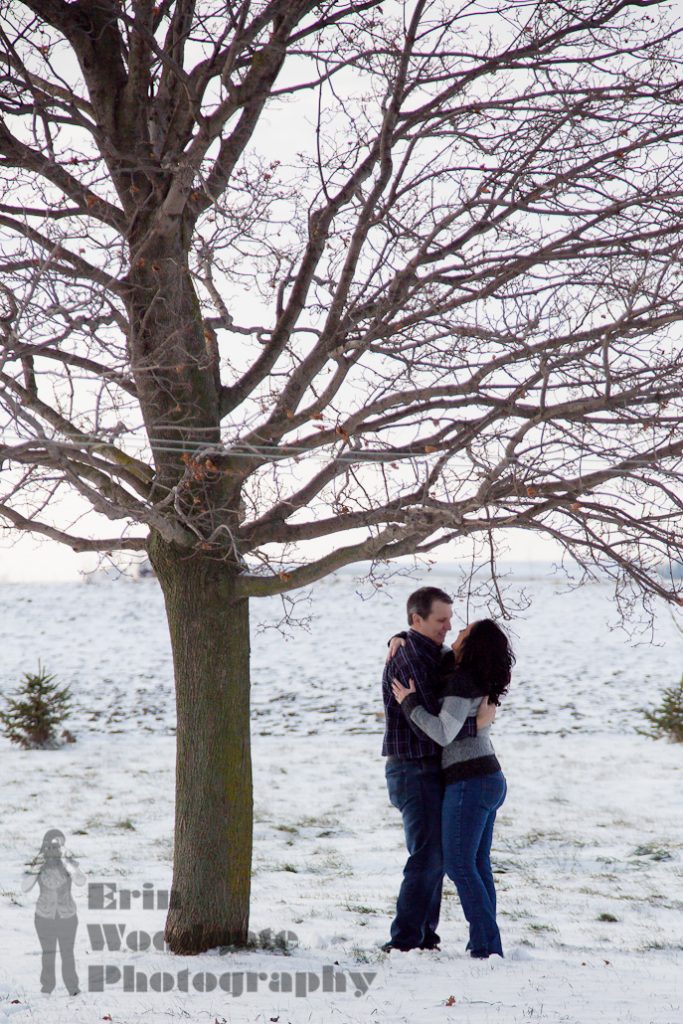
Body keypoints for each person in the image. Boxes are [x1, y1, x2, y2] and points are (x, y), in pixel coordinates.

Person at [381, 587, 496, 953]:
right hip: (412, 768)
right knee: (429, 856)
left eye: (451, 619)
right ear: (417, 619)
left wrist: (396, 635)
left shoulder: (436, 653)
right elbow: (430, 728)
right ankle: (405, 940)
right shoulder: (411, 659)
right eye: (441, 620)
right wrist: (476, 727)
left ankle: (425, 936)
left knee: (439, 857)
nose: (450, 626)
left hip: (437, 770)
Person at [22, 828, 84, 995]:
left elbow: (80, 881)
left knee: (67, 953)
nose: (52, 850)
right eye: (49, 847)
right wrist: (37, 866)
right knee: (47, 953)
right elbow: (25, 887)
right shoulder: (39, 865)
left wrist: (68, 862)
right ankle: (47, 988)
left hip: (67, 916)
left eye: (56, 847)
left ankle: (73, 988)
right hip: (44, 916)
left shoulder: (67, 864)